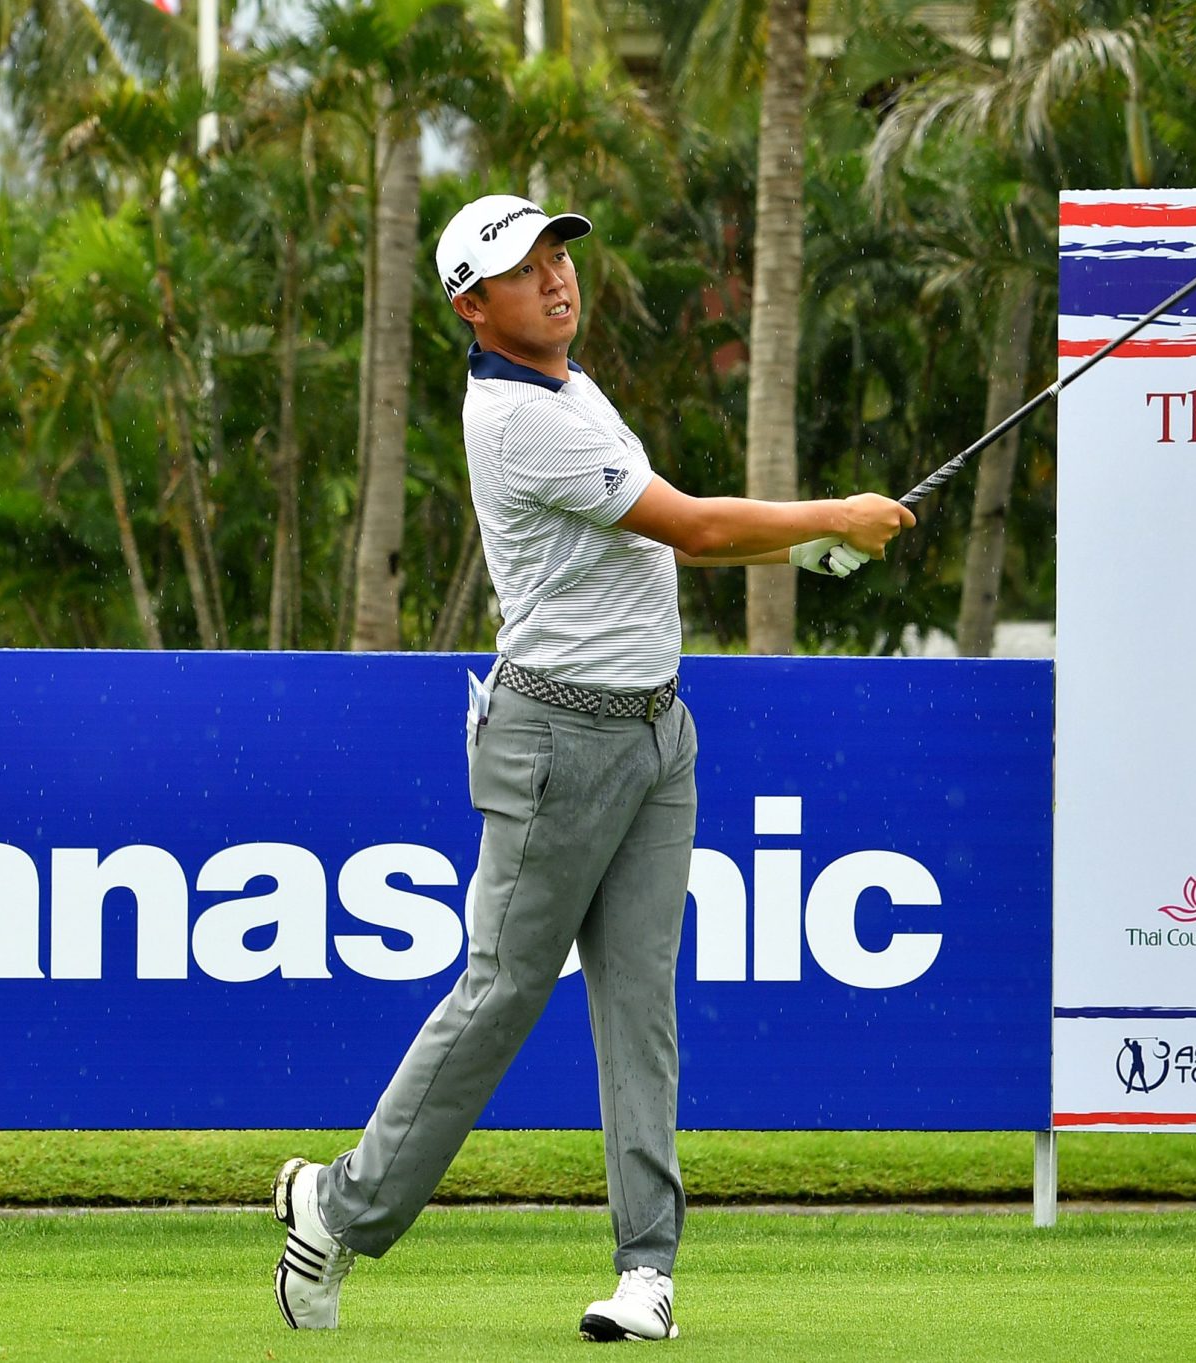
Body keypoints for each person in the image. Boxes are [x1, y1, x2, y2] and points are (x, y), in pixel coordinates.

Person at [271, 194, 915, 1340]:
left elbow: (664, 540)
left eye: (557, 256)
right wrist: (835, 513)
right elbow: (695, 528)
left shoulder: (572, 387)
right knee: (502, 993)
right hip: (555, 747)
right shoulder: (520, 421)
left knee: (638, 1007)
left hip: (657, 735)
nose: (556, 277)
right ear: (472, 307)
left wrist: (807, 544)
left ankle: (645, 1269)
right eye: (524, 269)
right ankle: (341, 1207)